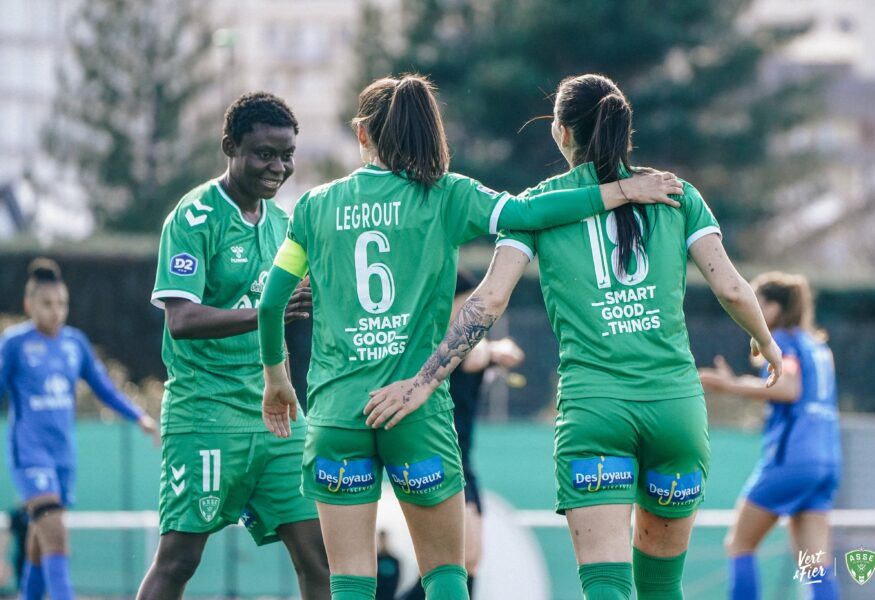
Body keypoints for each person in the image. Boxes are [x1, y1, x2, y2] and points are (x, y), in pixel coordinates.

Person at [256, 73, 682, 600]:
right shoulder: (447, 194)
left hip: (338, 412)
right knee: (447, 575)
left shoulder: (314, 207)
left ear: (362, 134)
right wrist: (622, 190)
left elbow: (272, 303)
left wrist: (277, 381)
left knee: (350, 580)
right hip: (416, 414)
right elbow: (526, 213)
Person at [366, 73, 783, 600]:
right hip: (675, 409)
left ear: (561, 133)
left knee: (606, 584)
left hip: (594, 413)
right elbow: (732, 288)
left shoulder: (538, 206)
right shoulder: (676, 193)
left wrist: (425, 379)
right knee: (661, 587)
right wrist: (766, 343)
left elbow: (488, 301)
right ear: (623, 134)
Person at [137, 92, 329, 600]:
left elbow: (290, 321)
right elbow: (181, 319)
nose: (279, 166)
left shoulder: (286, 226)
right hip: (206, 409)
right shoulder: (194, 217)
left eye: (287, 154)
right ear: (230, 146)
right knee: (179, 560)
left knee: (321, 554)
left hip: (276, 412)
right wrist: (265, 312)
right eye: (265, 153)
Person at [0, 258, 159, 600]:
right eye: (47, 304)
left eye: (61, 304)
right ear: (29, 304)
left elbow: (104, 389)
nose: (55, 311)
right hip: (30, 455)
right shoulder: (15, 343)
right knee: (55, 532)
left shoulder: (75, 343)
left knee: (41, 543)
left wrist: (139, 417)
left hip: (63, 457)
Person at [699, 272, 841, 600]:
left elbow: (789, 387)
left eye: (758, 302)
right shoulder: (817, 346)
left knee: (739, 544)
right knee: (813, 561)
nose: (754, 309)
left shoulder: (785, 342)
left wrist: (729, 385)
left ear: (775, 308)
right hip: (827, 462)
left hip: (791, 460)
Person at [402, 271, 524, 600]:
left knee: (469, 560)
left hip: (463, 461)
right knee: (453, 560)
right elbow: (473, 356)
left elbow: (496, 351)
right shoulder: (435, 346)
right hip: (434, 456)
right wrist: (492, 350)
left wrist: (496, 348)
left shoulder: (474, 341)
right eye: (467, 302)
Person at [375, 530, 401, 600]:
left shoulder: (395, 561)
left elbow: (396, 581)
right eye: (381, 540)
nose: (383, 542)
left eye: (384, 539)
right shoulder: (375, 560)